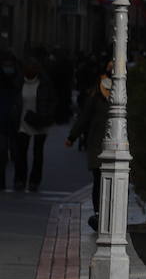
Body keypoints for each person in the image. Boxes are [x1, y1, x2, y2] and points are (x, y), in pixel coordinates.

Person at [66, 61, 112, 229]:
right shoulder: (96, 96)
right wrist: (72, 137)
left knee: (113, 182)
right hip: (97, 145)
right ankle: (98, 214)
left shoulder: (122, 94)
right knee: (99, 180)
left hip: (115, 146)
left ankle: (109, 213)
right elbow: (84, 118)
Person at [13, 57, 57, 192]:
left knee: (38, 153)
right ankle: (20, 180)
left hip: (40, 122)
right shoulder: (19, 83)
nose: (31, 70)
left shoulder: (44, 83)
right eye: (28, 67)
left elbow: (53, 101)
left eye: (33, 67)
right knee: (21, 153)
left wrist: (47, 115)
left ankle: (34, 181)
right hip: (22, 123)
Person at [0, 52, 21, 192]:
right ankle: (1, 181)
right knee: (2, 153)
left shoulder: (19, 81)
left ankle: (19, 180)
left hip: (17, 122)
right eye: (5, 65)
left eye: (10, 65)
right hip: (1, 122)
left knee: (17, 154)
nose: (8, 68)